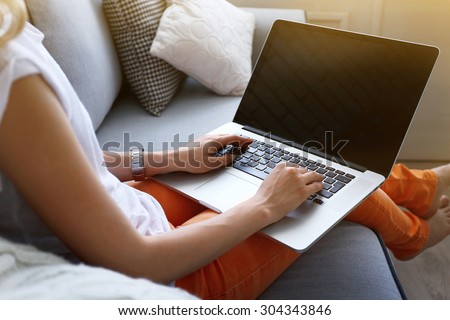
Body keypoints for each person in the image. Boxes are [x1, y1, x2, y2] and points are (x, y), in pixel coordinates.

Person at [0, 0, 449, 299]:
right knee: (326, 186)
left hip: (123, 209)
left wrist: (171, 159)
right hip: (164, 267)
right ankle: (413, 237)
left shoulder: (12, 34)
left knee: (302, 159)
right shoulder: (9, 66)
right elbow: (136, 263)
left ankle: (424, 188)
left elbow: (68, 164)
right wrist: (264, 205)